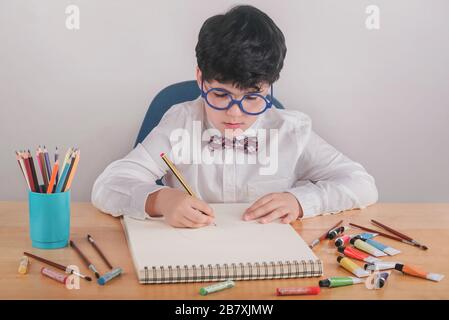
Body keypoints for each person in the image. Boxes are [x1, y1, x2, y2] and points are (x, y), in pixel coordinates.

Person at [91, 5, 378, 228]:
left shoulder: (290, 131)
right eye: (220, 95)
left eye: (252, 98)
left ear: (270, 87)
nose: (234, 113)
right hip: (190, 256)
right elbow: (107, 185)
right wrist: (160, 200)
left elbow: (361, 183)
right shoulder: (180, 123)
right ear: (201, 79)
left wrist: (301, 201)